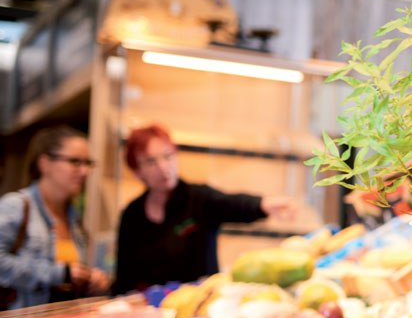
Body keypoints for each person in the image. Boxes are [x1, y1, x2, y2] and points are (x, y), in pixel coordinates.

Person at [113, 125, 297, 293]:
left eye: (168, 156)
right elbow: (124, 276)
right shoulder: (132, 214)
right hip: (151, 306)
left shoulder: (199, 198)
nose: (163, 167)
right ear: (137, 170)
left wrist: (263, 204)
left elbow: (233, 203)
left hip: (203, 300)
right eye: (151, 162)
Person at [0, 125, 109, 310]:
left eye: (88, 163)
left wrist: (92, 280)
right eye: (75, 162)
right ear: (44, 163)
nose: (84, 171)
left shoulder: (74, 219)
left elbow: (70, 278)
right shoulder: (16, 206)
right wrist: (57, 273)